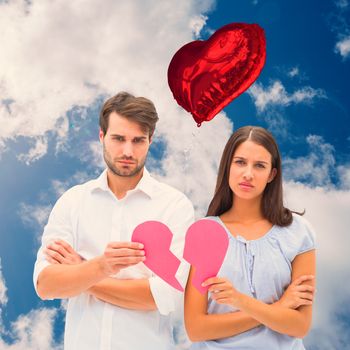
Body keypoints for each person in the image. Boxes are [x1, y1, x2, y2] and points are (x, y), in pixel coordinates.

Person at [33, 92, 195, 350]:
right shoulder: (73, 201)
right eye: (118, 139)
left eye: (138, 140)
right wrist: (101, 266)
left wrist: (82, 273)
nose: (128, 151)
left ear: (150, 140)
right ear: (102, 137)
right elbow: (46, 284)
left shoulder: (174, 206)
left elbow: (166, 297)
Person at [184, 126, 316, 349]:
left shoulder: (298, 231)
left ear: (272, 175)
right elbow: (196, 328)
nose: (248, 174)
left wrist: (239, 301)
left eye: (260, 166)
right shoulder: (205, 233)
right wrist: (279, 307)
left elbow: (299, 326)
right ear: (227, 167)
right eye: (240, 162)